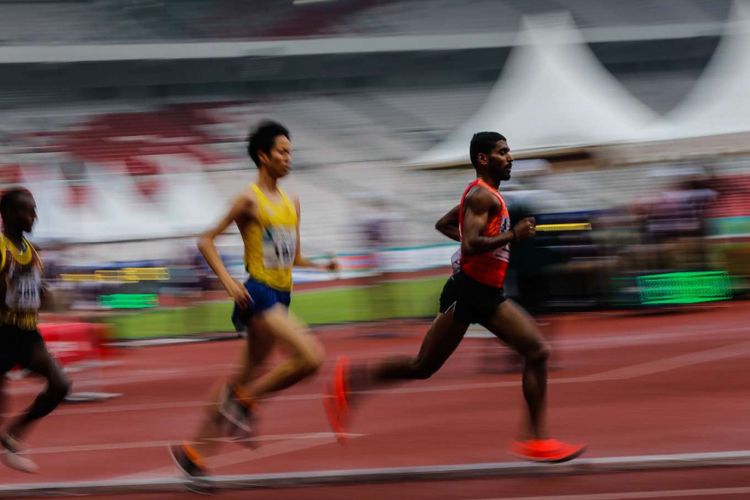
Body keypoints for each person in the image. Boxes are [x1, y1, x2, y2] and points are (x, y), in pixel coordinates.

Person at [324, 132, 585, 462]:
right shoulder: (481, 196)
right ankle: (536, 439)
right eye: (503, 152)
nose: (511, 157)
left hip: (482, 291)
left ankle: (352, 380)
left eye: (509, 151)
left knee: (426, 366)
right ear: (483, 159)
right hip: (471, 292)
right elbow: (470, 244)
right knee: (535, 351)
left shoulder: (485, 196)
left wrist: (494, 238)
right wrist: (512, 235)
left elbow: (444, 224)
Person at [170, 121, 337, 486]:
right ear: (263, 156)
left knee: (243, 375)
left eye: (290, 152)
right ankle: (244, 404)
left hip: (282, 294)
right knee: (310, 357)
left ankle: (193, 454)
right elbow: (206, 241)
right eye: (282, 152)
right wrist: (229, 283)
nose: (288, 158)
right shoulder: (248, 199)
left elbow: (293, 257)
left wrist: (321, 264)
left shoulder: (292, 201)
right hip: (257, 293)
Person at [0, 187, 71, 473]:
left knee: (60, 385)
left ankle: (13, 435)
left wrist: (43, 291)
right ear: (7, 214)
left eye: (35, 210)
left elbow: (34, 286)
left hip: (27, 333)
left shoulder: (32, 252)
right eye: (27, 210)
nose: (34, 216)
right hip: (1, 333)